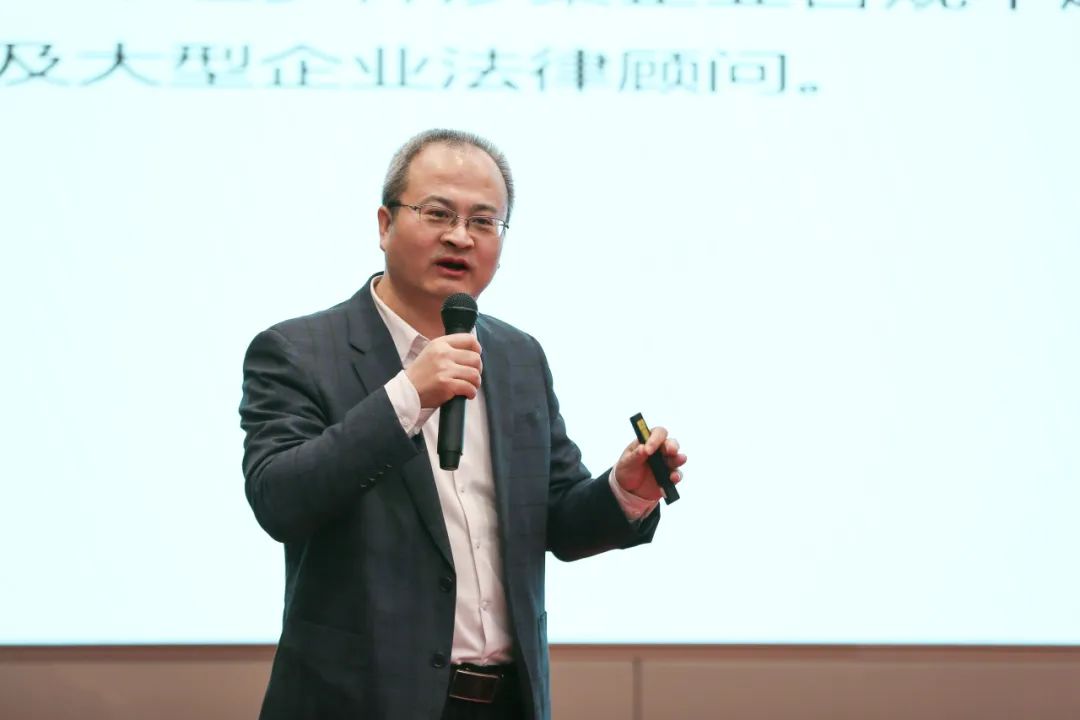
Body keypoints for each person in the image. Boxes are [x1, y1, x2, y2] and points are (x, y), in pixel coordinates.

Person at [239, 129, 687, 720]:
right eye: (437, 213)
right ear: (384, 225)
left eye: (483, 221)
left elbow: (557, 520)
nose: (459, 236)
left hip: (505, 701)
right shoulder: (297, 351)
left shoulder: (518, 357)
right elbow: (280, 500)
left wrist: (625, 491)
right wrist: (407, 396)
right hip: (360, 702)